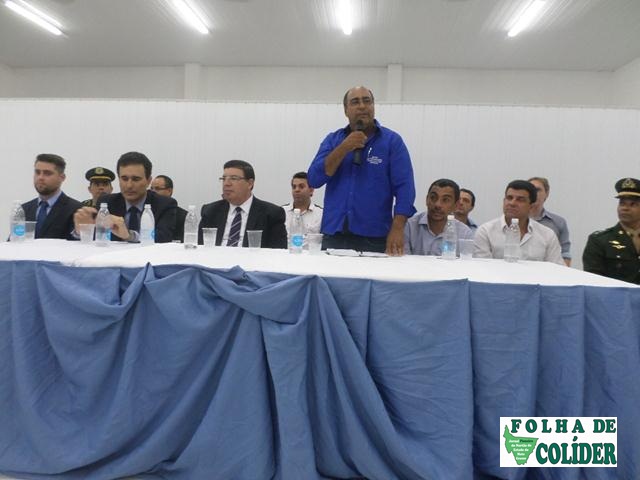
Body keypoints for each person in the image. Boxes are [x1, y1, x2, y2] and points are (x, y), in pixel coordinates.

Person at [307, 86, 416, 255]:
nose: (362, 106)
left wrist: (398, 228)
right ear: (346, 110)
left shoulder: (392, 142)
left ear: (373, 106)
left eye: (367, 101)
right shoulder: (333, 140)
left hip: (374, 237)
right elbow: (314, 179)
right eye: (355, 102)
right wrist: (344, 148)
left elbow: (405, 189)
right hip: (334, 234)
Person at [73, 152, 177, 243]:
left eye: (136, 179)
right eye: (124, 179)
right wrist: (82, 230)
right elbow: (99, 237)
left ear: (148, 181)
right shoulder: (106, 202)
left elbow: (164, 237)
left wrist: (130, 235)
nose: (129, 185)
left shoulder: (165, 204)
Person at [198, 160, 287, 248]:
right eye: (224, 179)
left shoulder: (271, 214)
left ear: (250, 183)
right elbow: (200, 248)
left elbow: (278, 252)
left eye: (233, 178)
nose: (226, 184)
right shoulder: (210, 211)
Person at [474, 180, 564, 265]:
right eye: (509, 198)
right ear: (504, 201)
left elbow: (557, 268)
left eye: (520, 200)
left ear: (531, 206)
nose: (512, 203)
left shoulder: (547, 235)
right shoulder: (486, 231)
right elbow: (482, 268)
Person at [582, 177, 640, 284]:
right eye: (622, 203)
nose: (625, 208)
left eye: (632, 204)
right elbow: (593, 281)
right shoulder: (599, 241)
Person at [404, 179, 473, 255]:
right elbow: (403, 260)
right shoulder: (409, 227)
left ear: (456, 205)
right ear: (427, 200)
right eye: (433, 197)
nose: (437, 205)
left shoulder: (464, 234)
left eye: (445, 200)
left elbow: (466, 262)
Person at [22, 153, 82, 240]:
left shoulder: (76, 210)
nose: (40, 177)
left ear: (62, 177)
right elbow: (14, 241)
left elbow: (79, 243)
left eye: (47, 173)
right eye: (37, 172)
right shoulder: (24, 209)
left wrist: (80, 232)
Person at [528, 176, 572, 266]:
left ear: (546, 194)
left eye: (538, 190)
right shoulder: (516, 221)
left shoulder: (559, 222)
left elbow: (565, 254)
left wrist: (564, 272)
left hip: (549, 271)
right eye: (531, 189)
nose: (534, 193)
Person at [151, 174, 187, 242]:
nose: (153, 192)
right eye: (151, 189)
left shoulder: (183, 216)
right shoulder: (147, 212)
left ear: (169, 191)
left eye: (157, 189)